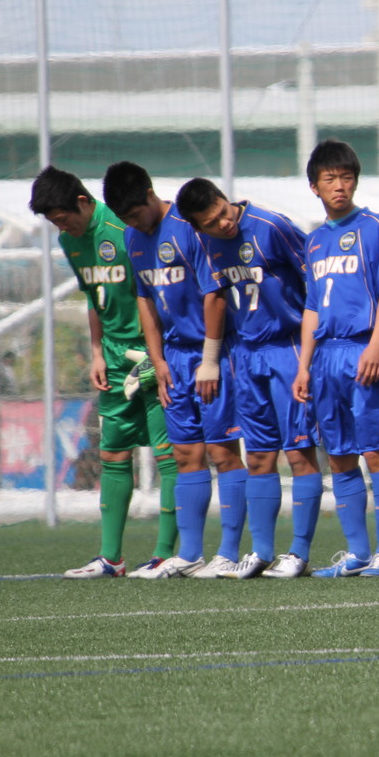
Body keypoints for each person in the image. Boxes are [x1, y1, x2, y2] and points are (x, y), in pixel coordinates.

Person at [30, 166, 179, 579]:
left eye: (63, 218)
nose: (62, 227)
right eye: (54, 223)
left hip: (153, 353)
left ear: (82, 202)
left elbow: (155, 292)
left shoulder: (122, 227)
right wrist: (97, 352)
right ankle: (111, 558)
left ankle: (166, 554)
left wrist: (158, 353)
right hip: (113, 358)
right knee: (113, 453)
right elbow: (95, 299)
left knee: (170, 454)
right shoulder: (69, 240)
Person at [103, 161, 247, 579]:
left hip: (211, 355)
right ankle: (188, 554)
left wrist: (209, 359)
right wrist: (158, 361)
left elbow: (215, 293)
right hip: (174, 359)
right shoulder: (133, 237)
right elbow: (144, 301)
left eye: (135, 214)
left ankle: (229, 552)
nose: (133, 223)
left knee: (222, 450)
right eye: (125, 219)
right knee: (185, 454)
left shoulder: (188, 225)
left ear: (150, 194)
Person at [176, 177, 324, 578]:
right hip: (245, 354)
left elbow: (316, 280)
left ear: (228, 201)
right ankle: (259, 553)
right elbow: (218, 295)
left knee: (298, 451)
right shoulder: (205, 244)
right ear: (196, 227)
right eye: (211, 221)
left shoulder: (271, 226)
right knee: (258, 456)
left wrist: (314, 348)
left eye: (224, 212)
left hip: (288, 348)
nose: (224, 224)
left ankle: (299, 552)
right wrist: (211, 358)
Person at [292, 139, 379, 577]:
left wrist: (376, 344)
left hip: (364, 350)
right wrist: (304, 365)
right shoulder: (315, 241)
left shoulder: (375, 227)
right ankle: (357, 553)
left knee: (376, 451)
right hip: (325, 360)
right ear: (314, 187)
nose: (339, 186)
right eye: (329, 179)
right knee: (338, 455)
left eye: (346, 177)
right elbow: (313, 307)